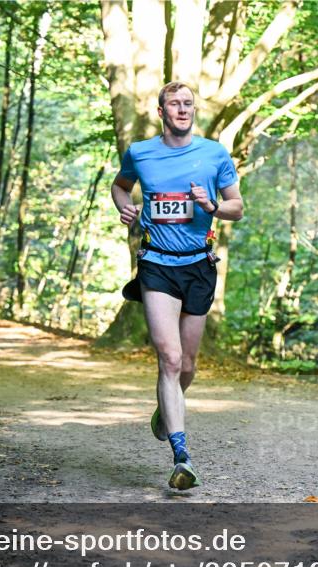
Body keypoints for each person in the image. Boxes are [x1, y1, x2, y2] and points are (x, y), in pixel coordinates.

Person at [111, 81, 243, 491]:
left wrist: (212, 207)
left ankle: (165, 410)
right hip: (156, 266)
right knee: (168, 359)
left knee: (186, 365)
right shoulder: (141, 153)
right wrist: (126, 207)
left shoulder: (214, 154)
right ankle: (181, 457)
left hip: (199, 266)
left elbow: (237, 207)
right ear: (162, 110)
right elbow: (119, 186)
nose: (183, 109)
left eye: (188, 104)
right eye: (175, 104)